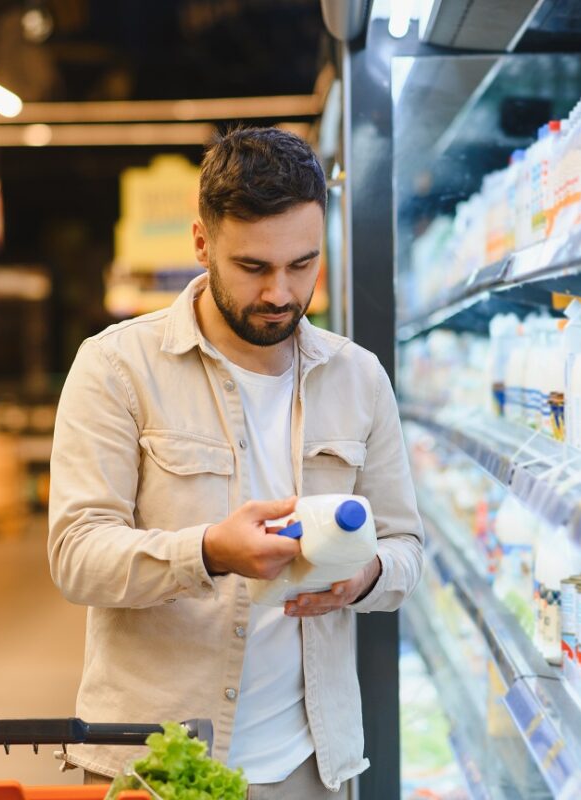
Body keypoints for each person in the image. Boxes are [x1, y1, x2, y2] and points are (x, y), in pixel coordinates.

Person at [48, 126, 423, 798]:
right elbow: (76, 555)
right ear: (202, 244)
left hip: (311, 768)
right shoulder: (116, 368)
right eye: (253, 267)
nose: (280, 292)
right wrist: (209, 553)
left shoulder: (359, 379)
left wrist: (364, 576)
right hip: (157, 769)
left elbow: (406, 549)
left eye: (302, 265)